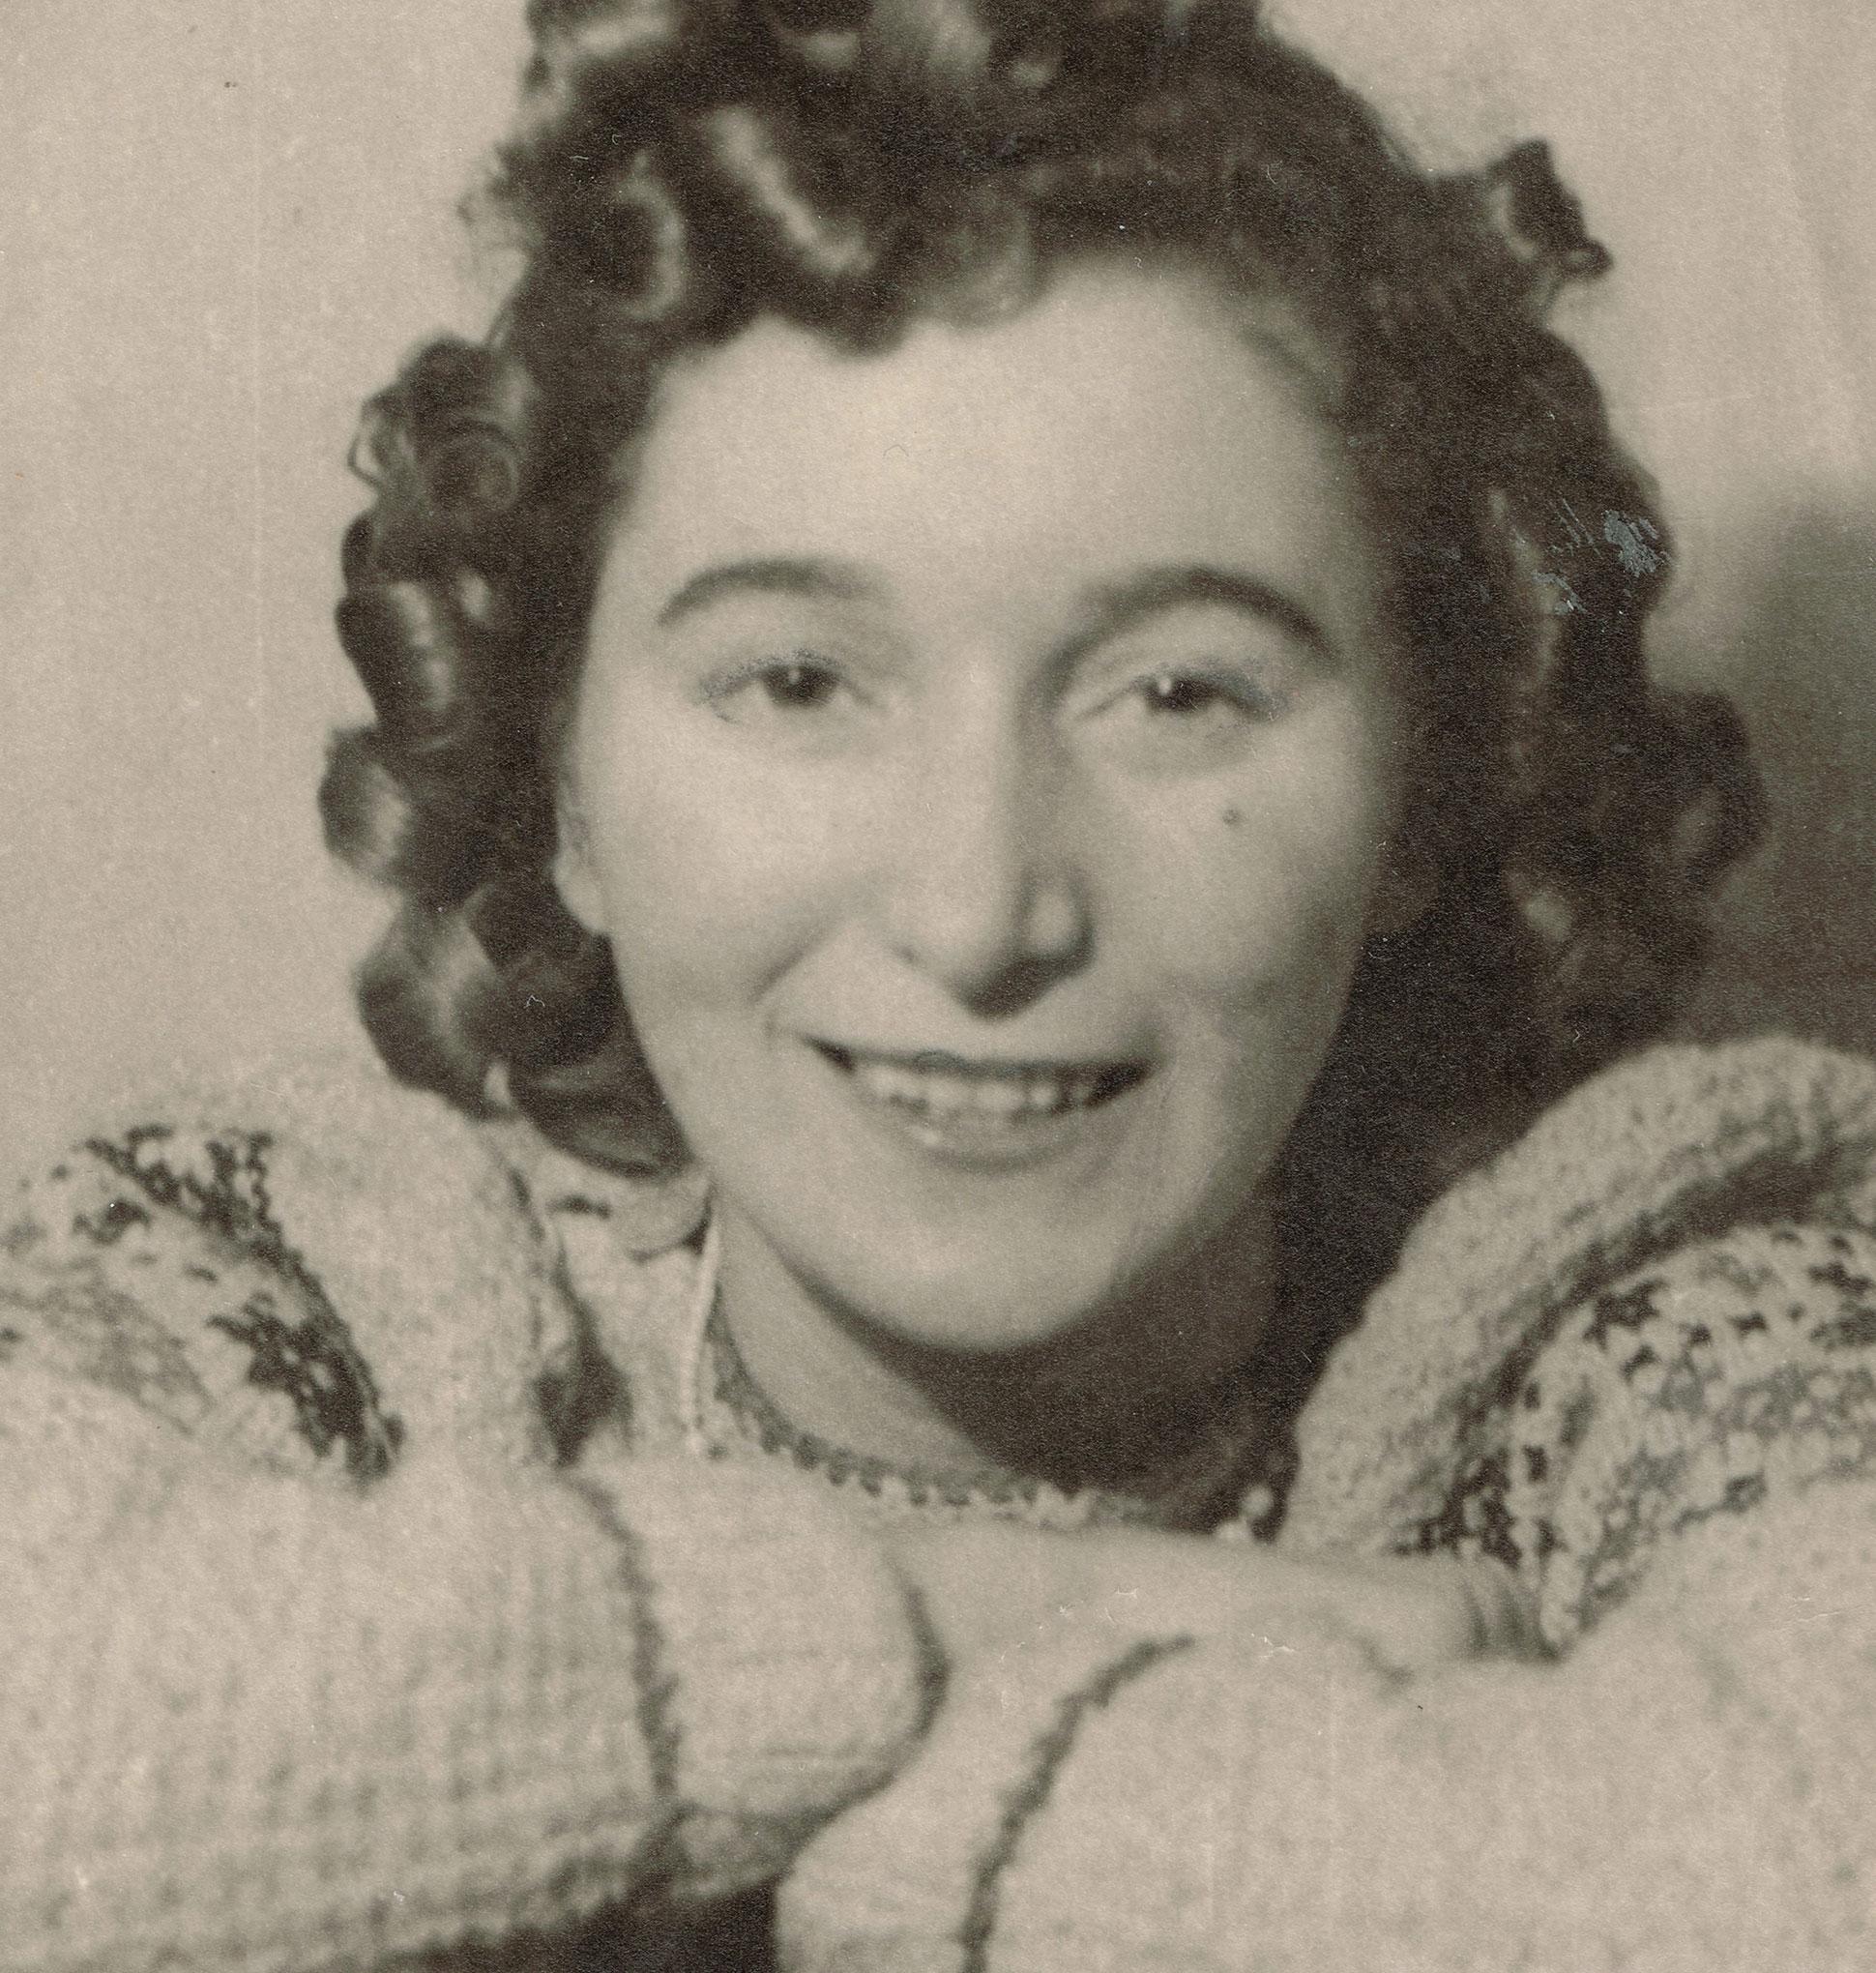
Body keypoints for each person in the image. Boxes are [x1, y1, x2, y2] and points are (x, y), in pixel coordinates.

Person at [5, 0, 1873, 1967]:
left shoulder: (1658, 1340)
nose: (980, 915)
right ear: (564, 793)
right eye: (799, 681)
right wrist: (963, 1613)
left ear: (1424, 787)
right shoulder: (310, 1283)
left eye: (1178, 693)